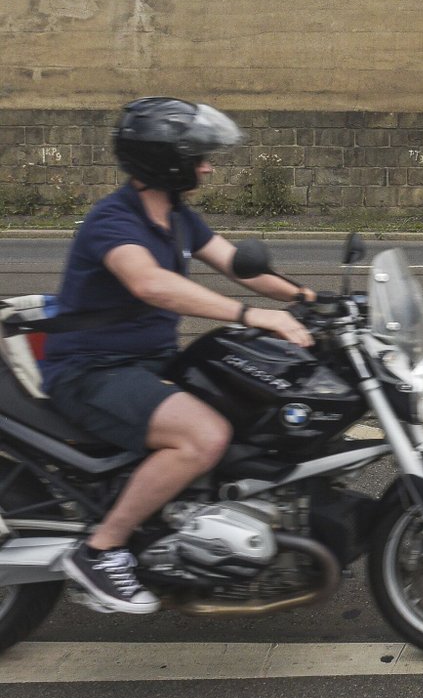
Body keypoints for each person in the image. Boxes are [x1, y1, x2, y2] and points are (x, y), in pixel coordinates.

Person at [46, 97, 315, 616]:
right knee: (203, 436)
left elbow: (237, 264)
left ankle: (191, 531)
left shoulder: (178, 216)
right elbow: (151, 285)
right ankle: (100, 550)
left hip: (149, 363)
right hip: (92, 370)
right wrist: (252, 315)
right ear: (163, 160)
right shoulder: (111, 220)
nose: (208, 166)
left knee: (249, 402)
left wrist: (308, 299)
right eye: (198, 157)